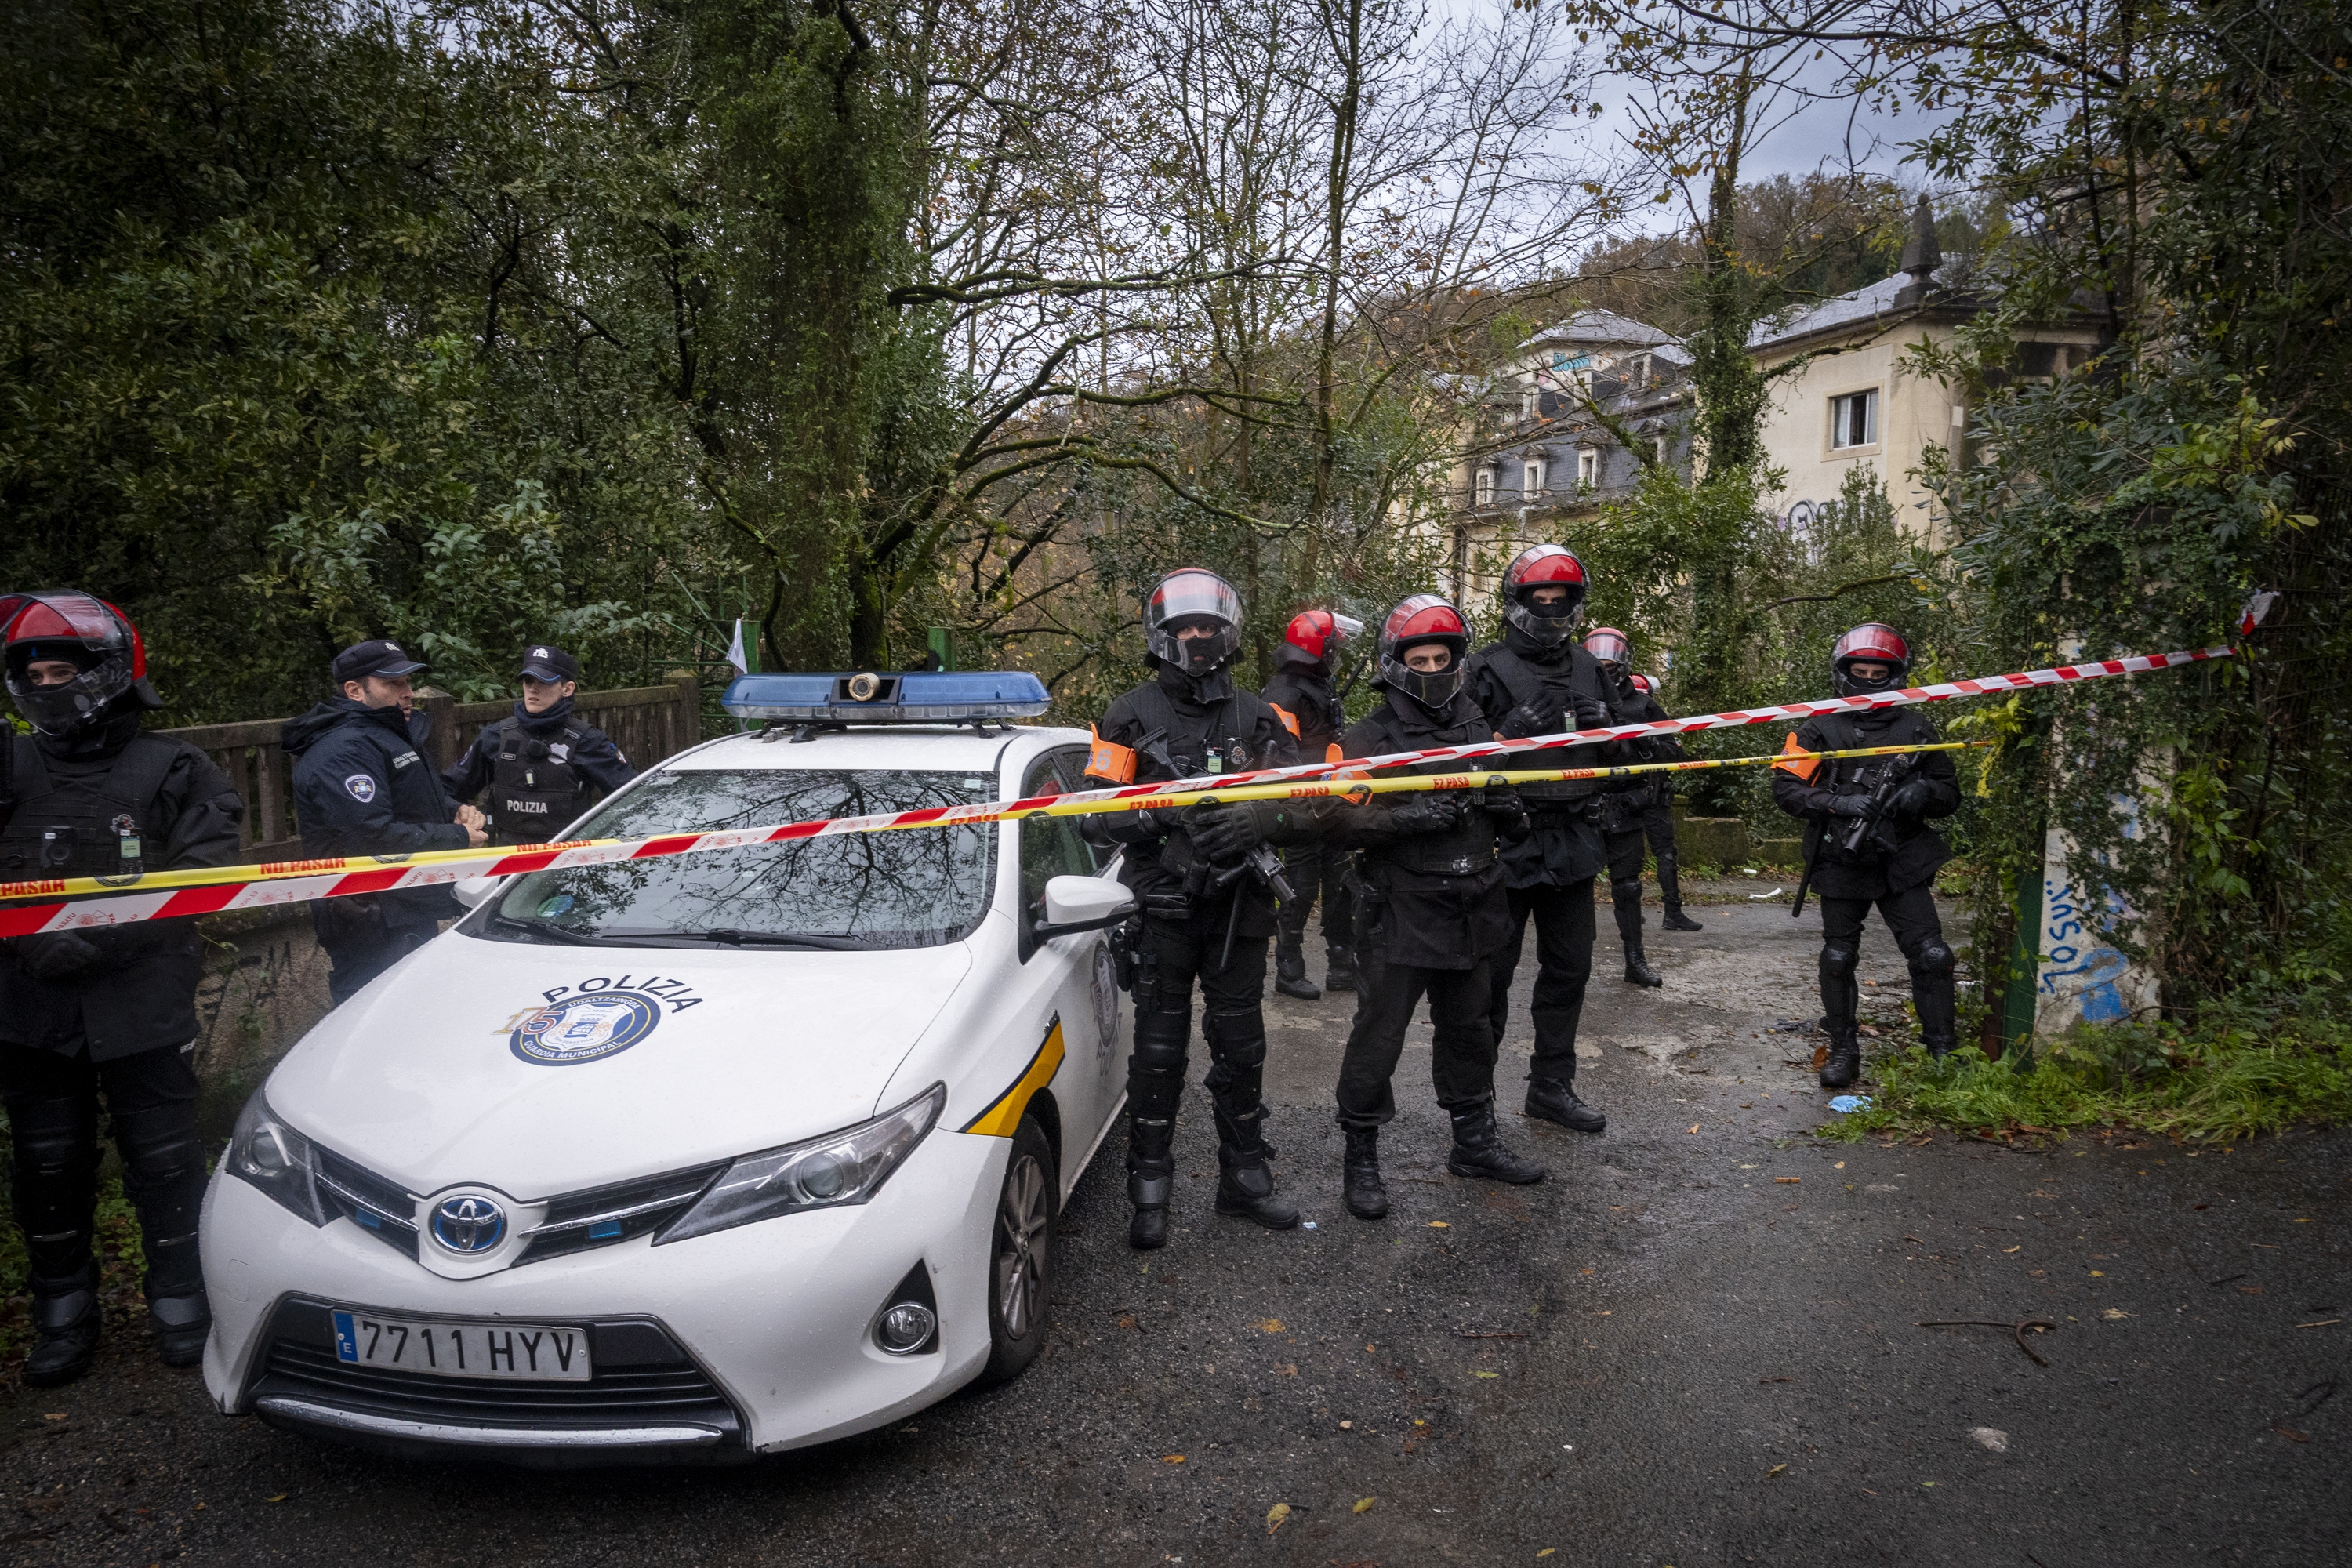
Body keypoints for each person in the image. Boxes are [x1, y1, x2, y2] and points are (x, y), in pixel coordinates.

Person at [0, 590, 245, 1386]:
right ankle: (63, 1309)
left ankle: (181, 1296)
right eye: (33, 674)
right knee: (47, 1164)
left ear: (107, 671)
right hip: (30, 1002)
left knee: (165, 1159)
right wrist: (30, 940)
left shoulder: (177, 768)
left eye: (61, 670)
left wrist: (100, 935)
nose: (46, 685)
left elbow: (207, 872)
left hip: (141, 995)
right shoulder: (10, 764)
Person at [1079, 568, 1306, 1250]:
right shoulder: (1127, 715)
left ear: (1227, 632)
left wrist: (1258, 821)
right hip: (1165, 908)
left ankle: (1245, 1176)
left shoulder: (1261, 716)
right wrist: (1157, 817)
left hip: (1239, 909)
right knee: (1158, 1054)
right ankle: (1149, 1185)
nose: (1199, 637)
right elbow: (1090, 818)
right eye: (1186, 627)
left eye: (1209, 626)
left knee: (1242, 1044)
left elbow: (1309, 801)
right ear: (1163, 633)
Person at [1321, 594, 1544, 1221]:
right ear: (1396, 663)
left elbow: (1512, 821)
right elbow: (1331, 820)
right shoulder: (1369, 737)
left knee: (1471, 1029)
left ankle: (1474, 1142)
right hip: (1402, 907)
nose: (1430, 669)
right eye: (1418, 659)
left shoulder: (1476, 725)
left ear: (1457, 660)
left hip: (1475, 902)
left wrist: (1511, 811)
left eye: (1440, 658)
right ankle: (1361, 1155)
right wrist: (1403, 820)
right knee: (1380, 1036)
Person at [1463, 545, 1635, 1135]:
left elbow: (1627, 757)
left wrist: (1608, 732)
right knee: (1491, 976)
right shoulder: (1483, 669)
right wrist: (1505, 734)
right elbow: (1452, 760)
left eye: (1561, 600)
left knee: (1570, 969)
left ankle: (1551, 1086)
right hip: (1507, 839)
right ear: (1518, 601)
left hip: (1575, 838)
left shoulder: (1590, 668)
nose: (1551, 608)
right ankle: (1476, 1098)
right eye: (1541, 599)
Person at [1770, 624, 1962, 1089]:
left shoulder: (1917, 727)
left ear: (1896, 675)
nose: (1870, 680)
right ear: (1844, 672)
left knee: (1933, 955)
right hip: (1842, 855)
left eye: (1880, 673)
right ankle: (1843, 1051)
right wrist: (1838, 803)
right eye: (1861, 672)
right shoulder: (1817, 727)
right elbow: (1786, 789)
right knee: (1838, 957)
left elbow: (1950, 792)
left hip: (1902, 858)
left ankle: (1943, 1052)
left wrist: (1924, 791)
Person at [284, 640, 487, 1005]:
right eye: (393, 683)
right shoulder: (344, 749)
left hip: (404, 905)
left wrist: (454, 808)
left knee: (416, 1014)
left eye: (408, 682)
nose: (408, 693)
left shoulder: (386, 734)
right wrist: (457, 837)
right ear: (354, 690)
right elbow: (371, 836)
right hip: (369, 916)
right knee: (375, 1019)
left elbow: (407, 798)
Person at [1583, 629, 1700, 989]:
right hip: (1582, 806)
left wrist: (1646, 745)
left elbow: (1675, 752)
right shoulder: (1578, 699)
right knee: (1575, 887)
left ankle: (1635, 960)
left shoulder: (1642, 706)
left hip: (1626, 805)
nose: (1605, 669)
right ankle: (1573, 963)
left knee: (1628, 887)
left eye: (1610, 663)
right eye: (1598, 664)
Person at [1258, 608, 1362, 1000]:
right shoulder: (1284, 692)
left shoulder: (1317, 685)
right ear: (1317, 648)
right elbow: (1279, 754)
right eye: (1333, 647)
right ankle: (1289, 967)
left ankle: (1341, 964)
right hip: (1301, 802)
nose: (1336, 653)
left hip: (1331, 798)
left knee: (1339, 881)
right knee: (1301, 886)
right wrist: (1304, 790)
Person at [442, 644, 636, 844]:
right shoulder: (495, 737)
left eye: (544, 681)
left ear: (567, 689)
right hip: (507, 858)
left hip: (567, 858)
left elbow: (633, 797)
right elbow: (446, 790)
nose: (533, 688)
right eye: (528, 681)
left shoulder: (588, 741)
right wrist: (459, 811)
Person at [1631, 672, 1701, 935]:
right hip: (1628, 799)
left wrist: (1651, 745)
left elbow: (1678, 754)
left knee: (1663, 855)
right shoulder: (1614, 719)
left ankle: (1671, 912)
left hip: (1653, 796)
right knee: (1630, 857)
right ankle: (1633, 911)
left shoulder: (1654, 719)